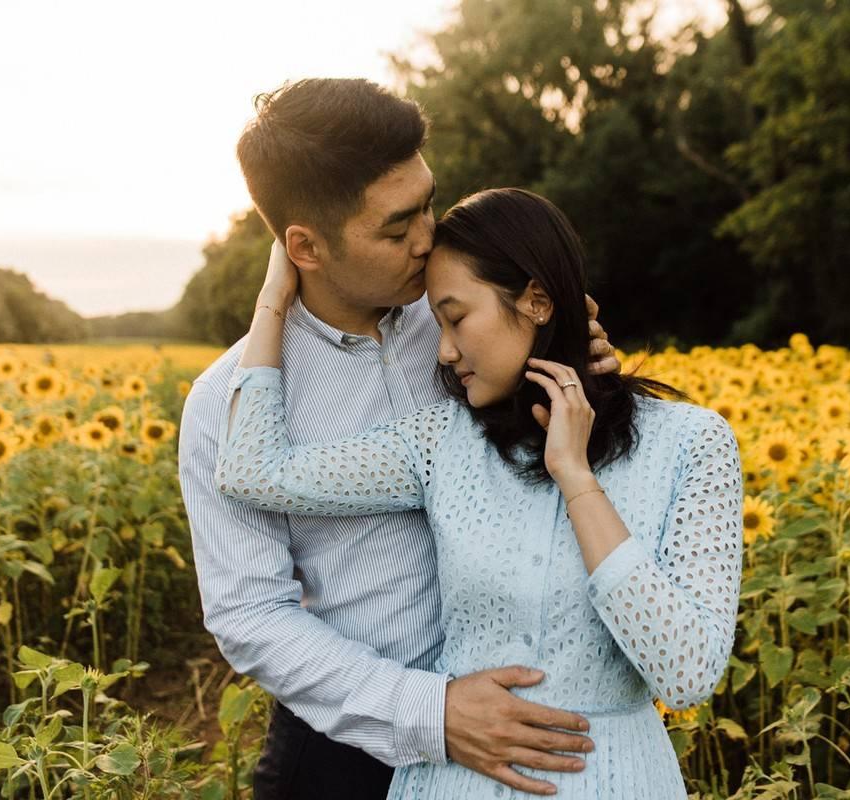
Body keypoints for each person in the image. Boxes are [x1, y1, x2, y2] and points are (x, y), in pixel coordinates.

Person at [214, 186, 745, 798]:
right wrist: (274, 299)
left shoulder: (692, 444)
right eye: (436, 323)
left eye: (457, 318)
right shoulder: (445, 440)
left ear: (538, 301)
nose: (444, 350)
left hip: (618, 778)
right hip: (456, 781)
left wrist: (576, 478)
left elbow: (685, 675)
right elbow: (253, 471)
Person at [178, 78, 621, 799]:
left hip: (528, 710)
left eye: (427, 205)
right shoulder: (226, 403)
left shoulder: (476, 319)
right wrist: (433, 712)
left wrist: (585, 363)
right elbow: (250, 615)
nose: (427, 239)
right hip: (348, 744)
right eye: (395, 229)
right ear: (304, 246)